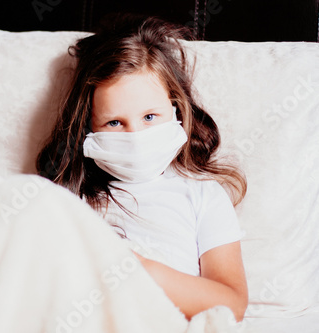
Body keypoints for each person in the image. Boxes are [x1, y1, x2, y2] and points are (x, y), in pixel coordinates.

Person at [36, 15, 249, 322]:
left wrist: (133, 269)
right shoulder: (70, 197)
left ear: (176, 108)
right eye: (114, 122)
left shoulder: (203, 196)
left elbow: (232, 303)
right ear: (88, 129)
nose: (135, 137)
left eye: (150, 117)